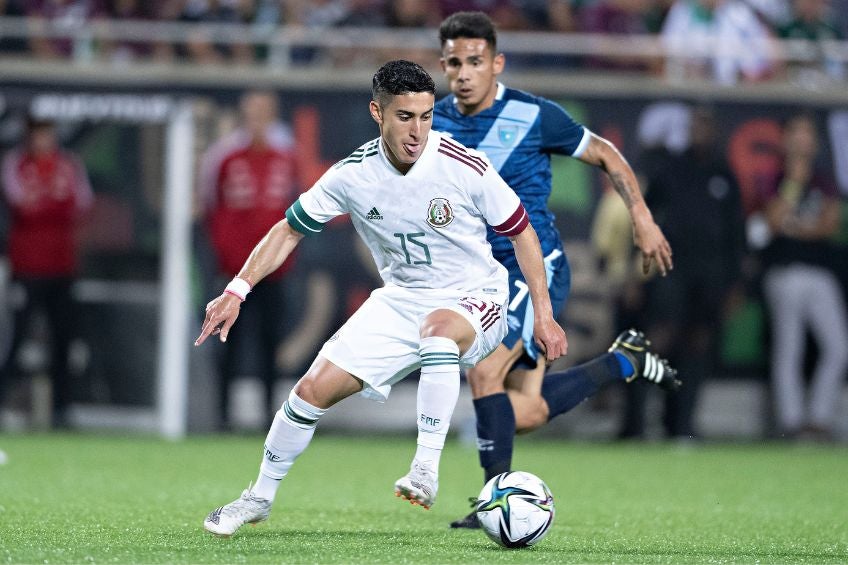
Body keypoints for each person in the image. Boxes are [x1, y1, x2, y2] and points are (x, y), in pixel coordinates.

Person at [195, 59, 567, 537]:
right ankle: (258, 498)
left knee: (438, 331)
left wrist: (544, 313)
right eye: (404, 117)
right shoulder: (352, 175)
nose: (418, 131)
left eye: (426, 116)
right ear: (378, 112)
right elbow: (288, 231)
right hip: (400, 300)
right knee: (309, 392)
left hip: (475, 295)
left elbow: (522, 232)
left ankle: (425, 470)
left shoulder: (463, 165)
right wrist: (236, 289)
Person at [433, 11, 679, 529]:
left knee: (483, 372)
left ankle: (491, 505)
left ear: (496, 63)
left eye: (475, 61)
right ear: (444, 65)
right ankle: (621, 364)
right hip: (478, 278)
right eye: (454, 62)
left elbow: (607, 153)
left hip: (532, 266)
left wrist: (641, 214)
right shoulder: (433, 122)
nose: (464, 72)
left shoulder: (535, 115)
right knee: (525, 412)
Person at [618, 105, 746, 440]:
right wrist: (636, 271)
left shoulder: (724, 175)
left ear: (714, 130)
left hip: (711, 275)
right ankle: (635, 425)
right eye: (693, 126)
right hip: (669, 269)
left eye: (704, 125)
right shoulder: (671, 170)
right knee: (658, 339)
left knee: (697, 346)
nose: (697, 132)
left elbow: (737, 234)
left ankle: (682, 426)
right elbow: (643, 218)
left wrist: (735, 284)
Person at [197, 90, 302, 430]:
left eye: (263, 112)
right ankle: (223, 417)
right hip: (233, 272)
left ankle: (271, 415)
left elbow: (298, 209)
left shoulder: (286, 155)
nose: (257, 119)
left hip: (273, 271)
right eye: (252, 112)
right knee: (228, 342)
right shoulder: (223, 156)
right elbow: (208, 204)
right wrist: (225, 254)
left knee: (271, 342)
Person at [0, 116, 94, 428]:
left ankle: (62, 410)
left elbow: (81, 204)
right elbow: (21, 205)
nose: (43, 139)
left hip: (62, 266)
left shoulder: (69, 164)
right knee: (16, 340)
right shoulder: (15, 163)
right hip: (26, 268)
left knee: (64, 340)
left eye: (48, 132)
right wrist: (52, 204)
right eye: (38, 133)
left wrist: (45, 204)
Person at [761, 112, 848, 442]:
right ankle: (792, 422)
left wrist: (797, 227)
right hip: (785, 271)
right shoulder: (775, 176)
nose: (803, 140)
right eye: (796, 132)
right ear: (784, 139)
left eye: (808, 133)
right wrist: (794, 183)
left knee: (838, 347)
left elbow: (830, 224)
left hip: (820, 270)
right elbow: (770, 223)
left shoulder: (823, 178)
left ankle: (819, 420)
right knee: (789, 349)